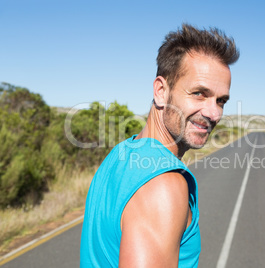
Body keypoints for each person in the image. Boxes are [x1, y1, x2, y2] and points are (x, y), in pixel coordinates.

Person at [80, 23, 239, 267]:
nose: (213, 113)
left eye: (221, 101)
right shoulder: (164, 184)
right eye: (199, 93)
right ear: (161, 91)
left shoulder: (121, 153)